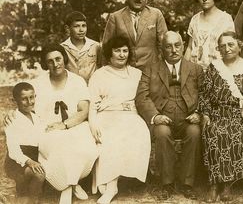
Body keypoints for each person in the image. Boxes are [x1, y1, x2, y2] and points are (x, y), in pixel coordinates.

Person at [135, 31, 203, 201]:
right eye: (168, 46)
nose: (173, 50)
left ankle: (187, 184)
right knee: (162, 133)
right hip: (162, 117)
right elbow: (142, 97)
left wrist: (198, 113)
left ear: (183, 46)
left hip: (188, 117)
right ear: (161, 49)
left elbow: (205, 94)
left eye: (177, 45)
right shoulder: (150, 69)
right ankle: (167, 184)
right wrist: (155, 116)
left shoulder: (196, 69)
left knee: (194, 133)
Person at [88, 36, 151, 204]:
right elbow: (93, 104)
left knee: (136, 131)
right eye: (117, 51)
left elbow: (144, 99)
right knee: (109, 136)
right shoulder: (99, 74)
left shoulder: (137, 74)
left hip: (130, 116)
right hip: (106, 116)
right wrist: (93, 124)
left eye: (125, 51)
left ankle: (111, 186)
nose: (122, 55)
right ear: (109, 53)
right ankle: (109, 184)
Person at [33, 44, 98, 204]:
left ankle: (69, 184)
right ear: (45, 64)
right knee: (59, 144)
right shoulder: (38, 84)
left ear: (64, 58)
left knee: (84, 146)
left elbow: (83, 110)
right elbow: (27, 108)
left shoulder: (77, 81)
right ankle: (69, 187)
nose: (55, 64)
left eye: (58, 59)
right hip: (48, 128)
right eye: (50, 61)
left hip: (75, 124)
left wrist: (65, 124)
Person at [198, 31, 243, 202]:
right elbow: (204, 94)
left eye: (231, 44)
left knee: (234, 132)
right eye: (222, 46)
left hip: (240, 114)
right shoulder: (214, 67)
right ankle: (214, 184)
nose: (227, 48)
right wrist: (206, 114)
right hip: (216, 113)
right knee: (214, 132)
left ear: (239, 46)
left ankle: (227, 185)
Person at [102, 0, 168, 70]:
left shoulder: (156, 14)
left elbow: (163, 44)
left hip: (151, 70)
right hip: (124, 70)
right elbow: (106, 47)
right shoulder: (115, 17)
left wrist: (160, 68)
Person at [4, 82, 46, 204]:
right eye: (24, 99)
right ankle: (30, 200)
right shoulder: (13, 119)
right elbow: (13, 150)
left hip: (35, 157)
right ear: (15, 100)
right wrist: (29, 162)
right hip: (17, 162)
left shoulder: (37, 118)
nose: (29, 102)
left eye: (31, 97)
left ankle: (28, 197)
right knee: (39, 174)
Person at [184, 0, 234, 70]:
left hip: (218, 71)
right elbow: (189, 48)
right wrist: (183, 71)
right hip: (195, 71)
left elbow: (230, 50)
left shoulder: (226, 19)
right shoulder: (195, 19)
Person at [61, 11, 101, 83]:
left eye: (84, 26)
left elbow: (102, 67)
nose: (81, 30)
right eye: (76, 26)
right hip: (72, 87)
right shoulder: (63, 48)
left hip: (93, 86)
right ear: (67, 28)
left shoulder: (96, 46)